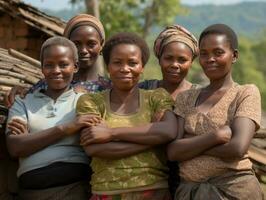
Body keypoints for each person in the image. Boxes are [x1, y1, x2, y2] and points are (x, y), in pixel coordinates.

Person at [167, 24, 263, 200]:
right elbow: (173, 152)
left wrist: (190, 144)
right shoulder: (186, 98)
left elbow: (237, 148)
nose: (210, 59)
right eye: (204, 54)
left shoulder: (245, 93)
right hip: (190, 192)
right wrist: (215, 136)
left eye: (218, 52)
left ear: (234, 56)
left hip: (235, 190)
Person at [76, 32, 177, 199]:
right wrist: (153, 140)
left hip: (153, 192)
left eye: (132, 63)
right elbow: (93, 147)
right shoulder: (92, 102)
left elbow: (168, 132)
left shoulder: (156, 97)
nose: (125, 69)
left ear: (142, 67)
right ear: (108, 66)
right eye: (117, 62)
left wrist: (111, 133)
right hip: (106, 193)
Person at [5, 36, 97, 200]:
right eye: (49, 65)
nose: (56, 70)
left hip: (73, 189)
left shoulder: (83, 101)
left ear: (75, 66)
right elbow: (15, 148)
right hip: (32, 193)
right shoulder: (23, 102)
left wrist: (31, 138)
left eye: (63, 64)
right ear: (42, 68)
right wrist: (66, 128)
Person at [139, 25, 198, 100]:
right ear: (159, 59)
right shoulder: (142, 90)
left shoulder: (201, 96)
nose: (174, 65)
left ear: (191, 62)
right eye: (168, 58)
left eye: (182, 60)